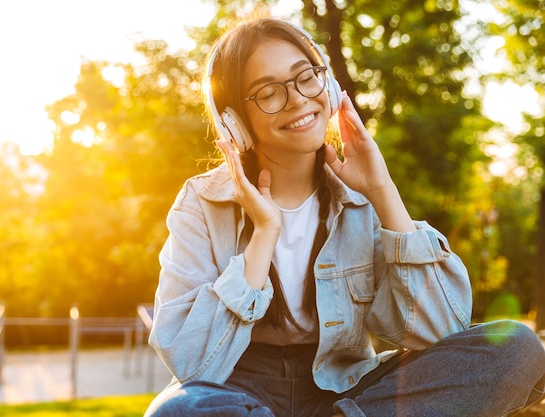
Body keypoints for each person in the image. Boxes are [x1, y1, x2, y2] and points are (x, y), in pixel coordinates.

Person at [144, 17, 545, 417]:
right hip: (238, 391)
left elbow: (441, 331)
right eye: (268, 93)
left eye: (306, 77)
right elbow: (192, 363)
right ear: (235, 123)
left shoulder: (360, 199)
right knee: (178, 410)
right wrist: (264, 232)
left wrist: (383, 191)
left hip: (345, 390)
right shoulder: (201, 203)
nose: (299, 98)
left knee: (519, 349)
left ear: (330, 86)